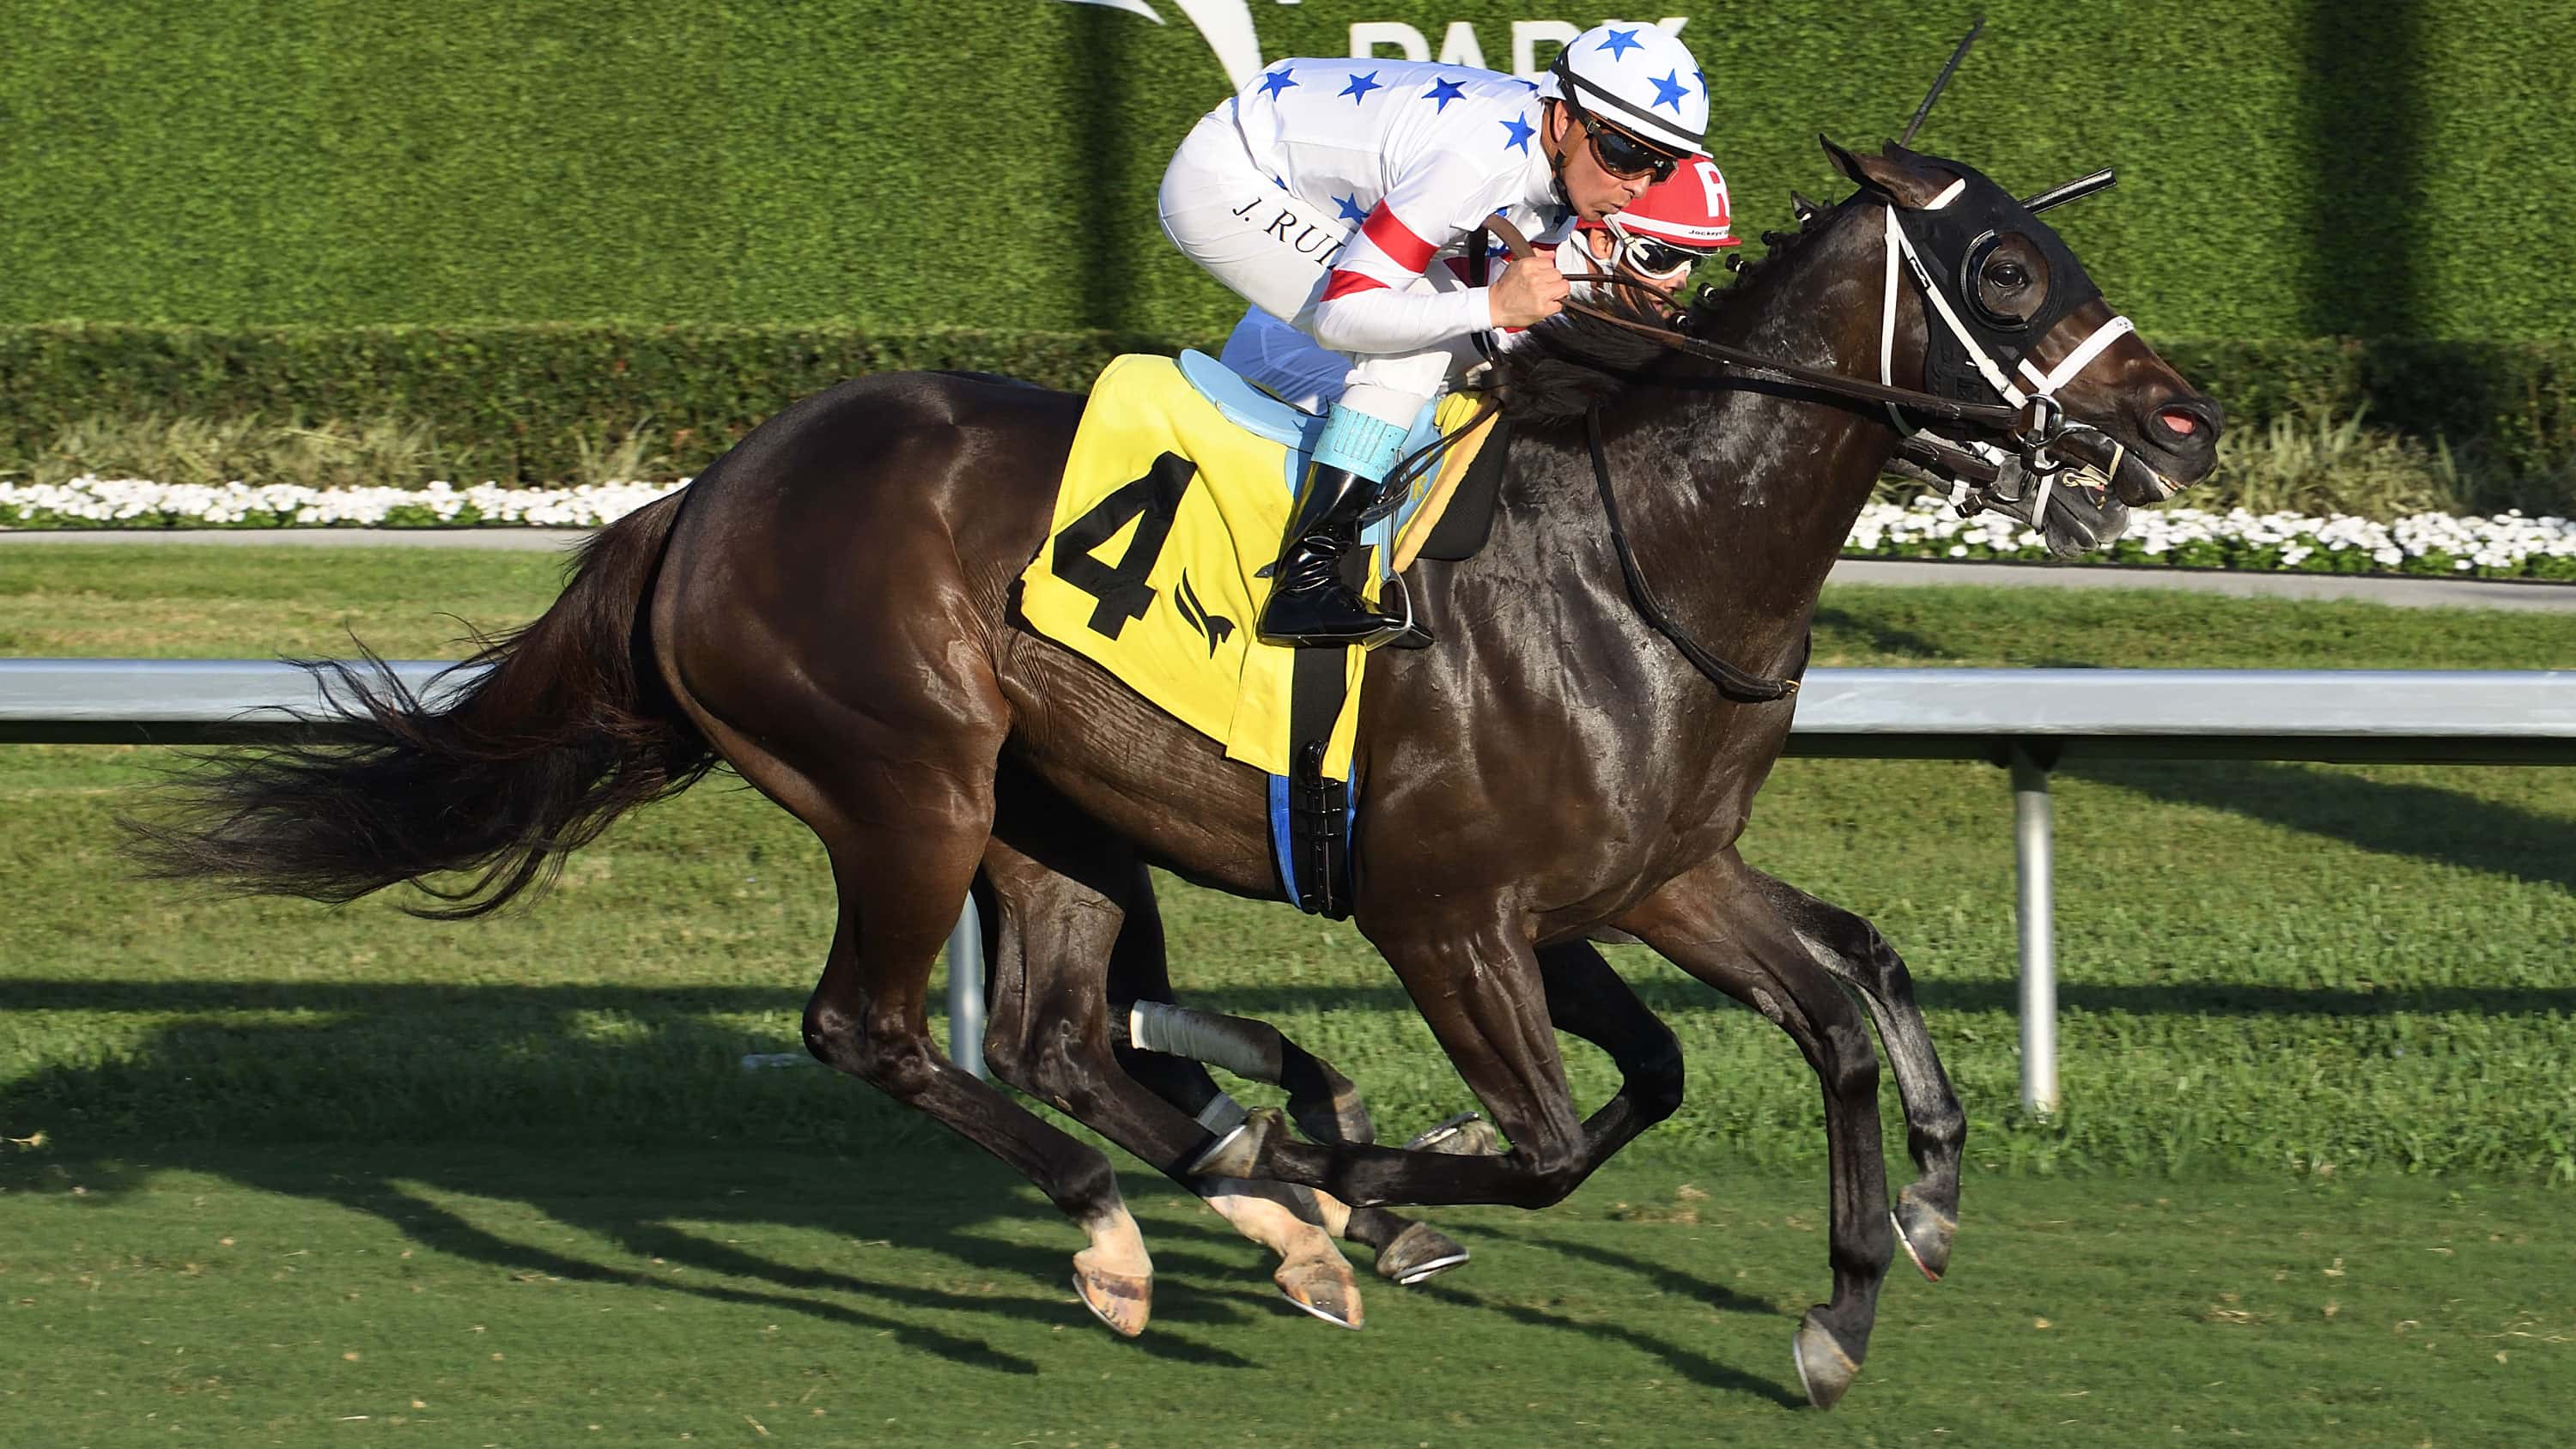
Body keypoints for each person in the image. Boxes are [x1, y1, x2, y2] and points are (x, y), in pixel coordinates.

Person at [1158, 22, 1710, 646]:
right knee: (1413, 346)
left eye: (1661, 166)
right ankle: (1303, 584)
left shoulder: (1555, 171)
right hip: (1224, 179)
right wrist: (1491, 304)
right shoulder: (1471, 164)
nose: (1638, 185)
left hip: (1298, 169)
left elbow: (1500, 338)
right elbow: (1344, 316)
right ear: (1563, 120)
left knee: (1461, 341)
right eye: (1625, 154)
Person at [1218, 154, 1742, 404]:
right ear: (1604, 241)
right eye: (1663, 258)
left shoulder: (1583, 260)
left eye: (1695, 262)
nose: (1679, 281)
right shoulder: (1541, 269)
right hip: (1296, 349)